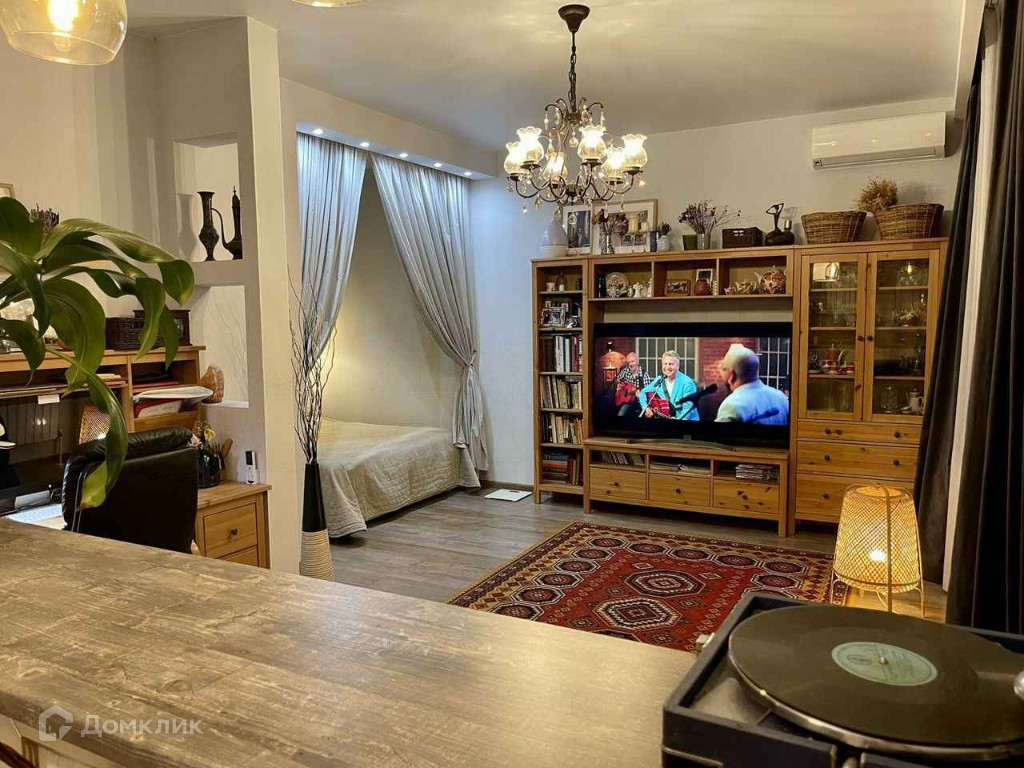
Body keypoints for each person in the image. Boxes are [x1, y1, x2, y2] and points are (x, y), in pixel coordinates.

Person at [715, 344, 790, 425]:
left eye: (724, 369)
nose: (722, 374)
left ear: (732, 375)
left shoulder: (731, 406)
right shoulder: (781, 398)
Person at [639, 351, 699, 420]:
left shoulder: (687, 383)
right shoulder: (659, 380)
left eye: (671, 364)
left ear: (678, 366)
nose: (667, 367)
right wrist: (645, 408)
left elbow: (688, 409)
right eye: (665, 364)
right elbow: (643, 392)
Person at [614, 352, 650, 417]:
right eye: (629, 362)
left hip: (640, 402)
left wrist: (641, 394)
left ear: (637, 361)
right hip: (628, 402)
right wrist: (619, 384)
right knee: (620, 415)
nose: (630, 364)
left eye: (632, 361)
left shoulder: (644, 374)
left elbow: (648, 392)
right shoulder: (626, 370)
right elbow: (617, 379)